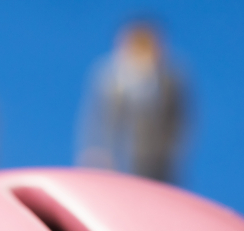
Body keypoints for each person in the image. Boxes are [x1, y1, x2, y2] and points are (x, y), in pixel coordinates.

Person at [75, 19, 188, 184]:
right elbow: (96, 121)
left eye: (146, 47)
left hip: (158, 164)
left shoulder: (172, 81)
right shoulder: (108, 81)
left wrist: (169, 154)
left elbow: (178, 121)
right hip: (116, 160)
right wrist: (96, 152)